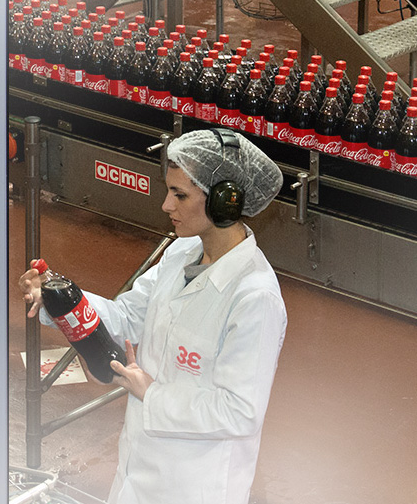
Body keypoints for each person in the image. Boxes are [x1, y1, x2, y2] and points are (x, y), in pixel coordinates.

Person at [19, 128, 286, 504]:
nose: (166, 205)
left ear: (224, 202)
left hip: (196, 486)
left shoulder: (254, 296)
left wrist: (152, 393)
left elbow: (240, 412)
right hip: (139, 467)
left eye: (180, 194)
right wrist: (59, 298)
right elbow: (126, 318)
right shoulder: (181, 254)